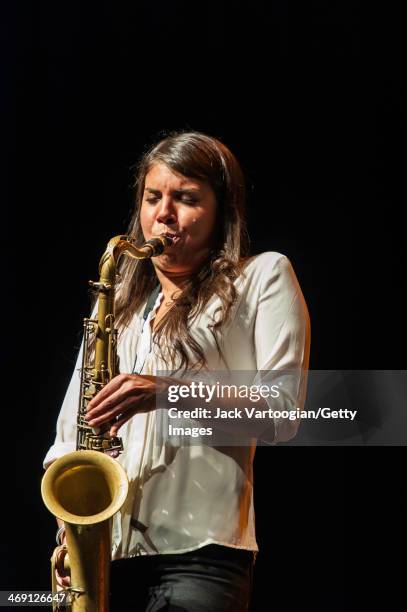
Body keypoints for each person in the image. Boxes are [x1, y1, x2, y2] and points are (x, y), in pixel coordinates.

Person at [43, 130, 311, 611]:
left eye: (186, 199)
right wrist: (71, 533)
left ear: (221, 210)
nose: (163, 215)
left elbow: (283, 412)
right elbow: (70, 439)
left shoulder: (262, 277)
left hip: (202, 557)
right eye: (152, 198)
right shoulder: (117, 310)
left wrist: (167, 391)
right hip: (106, 555)